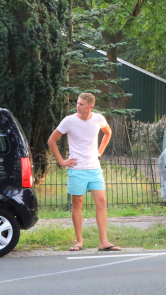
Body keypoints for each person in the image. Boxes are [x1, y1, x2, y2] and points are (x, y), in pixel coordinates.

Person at [47, 93, 119, 251]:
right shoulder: (69, 121)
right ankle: (79, 242)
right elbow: (51, 140)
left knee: (102, 202)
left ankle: (104, 242)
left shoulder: (98, 119)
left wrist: (100, 151)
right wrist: (61, 161)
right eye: (77, 103)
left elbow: (108, 132)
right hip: (76, 169)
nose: (77, 106)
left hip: (94, 168)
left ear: (90, 106)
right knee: (77, 203)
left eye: (81, 104)